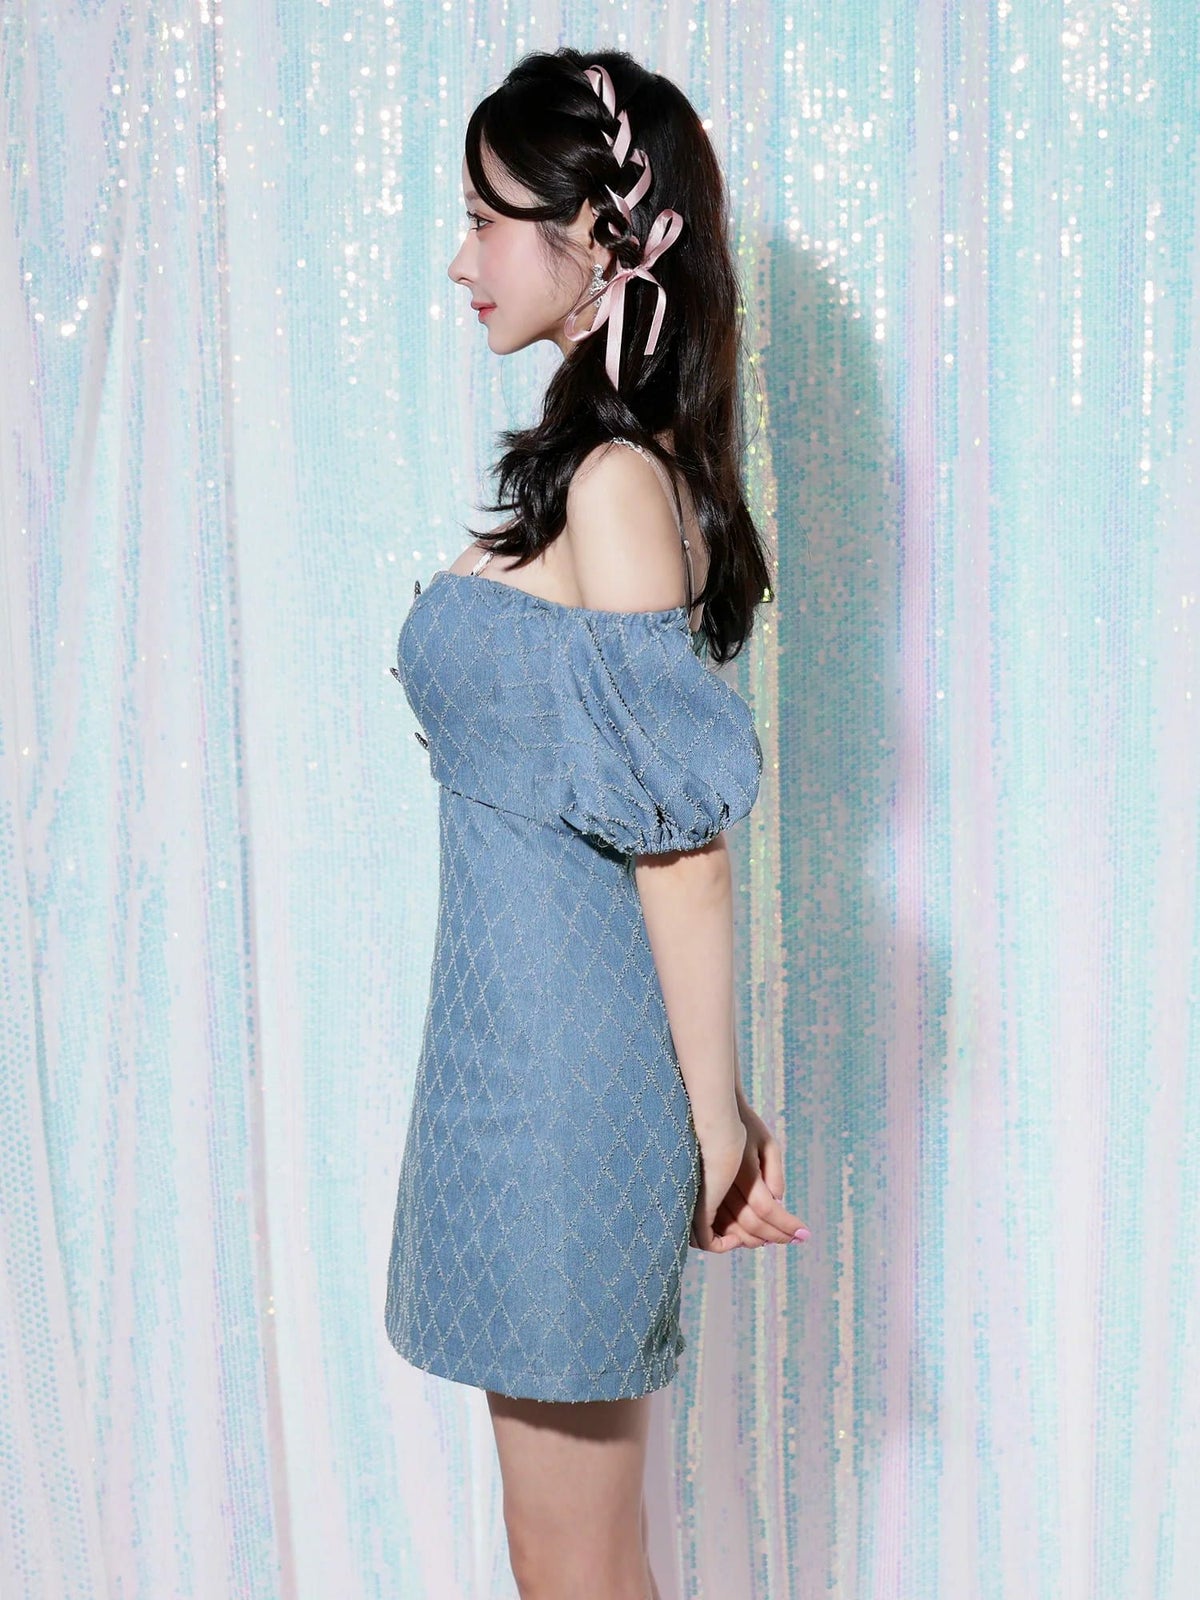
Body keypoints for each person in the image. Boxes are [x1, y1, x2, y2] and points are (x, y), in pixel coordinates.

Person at [385, 47, 810, 1600]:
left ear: (599, 235)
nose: (462, 259)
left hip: (567, 1096)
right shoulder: (596, 470)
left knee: (571, 1564)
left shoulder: (619, 483)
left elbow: (680, 850)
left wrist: (716, 1123)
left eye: (487, 219)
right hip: (513, 1069)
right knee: (569, 1554)